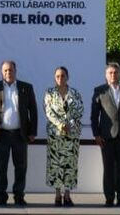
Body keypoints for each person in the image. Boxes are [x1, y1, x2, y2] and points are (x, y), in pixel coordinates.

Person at [0, 60, 37, 206]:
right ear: (1, 72)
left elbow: (33, 111)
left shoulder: (26, 88)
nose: (8, 73)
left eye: (10, 70)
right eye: (5, 70)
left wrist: (33, 132)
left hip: (20, 134)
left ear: (15, 71)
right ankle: (1, 197)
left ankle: (19, 196)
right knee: (1, 168)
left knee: (21, 167)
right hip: (1, 135)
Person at [91, 61, 120, 208]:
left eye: (115, 72)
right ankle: (109, 198)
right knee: (109, 168)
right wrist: (96, 134)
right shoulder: (99, 91)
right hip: (106, 137)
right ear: (106, 75)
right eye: (110, 73)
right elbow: (94, 116)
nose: (113, 75)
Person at [43, 66, 82, 207]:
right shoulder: (49, 93)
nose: (60, 78)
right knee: (56, 165)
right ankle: (57, 195)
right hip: (55, 135)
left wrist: (69, 124)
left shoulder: (75, 93)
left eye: (63, 76)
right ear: (55, 78)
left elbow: (79, 111)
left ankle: (67, 195)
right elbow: (49, 112)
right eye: (58, 76)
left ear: (67, 77)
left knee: (70, 165)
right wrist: (61, 125)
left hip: (71, 135)